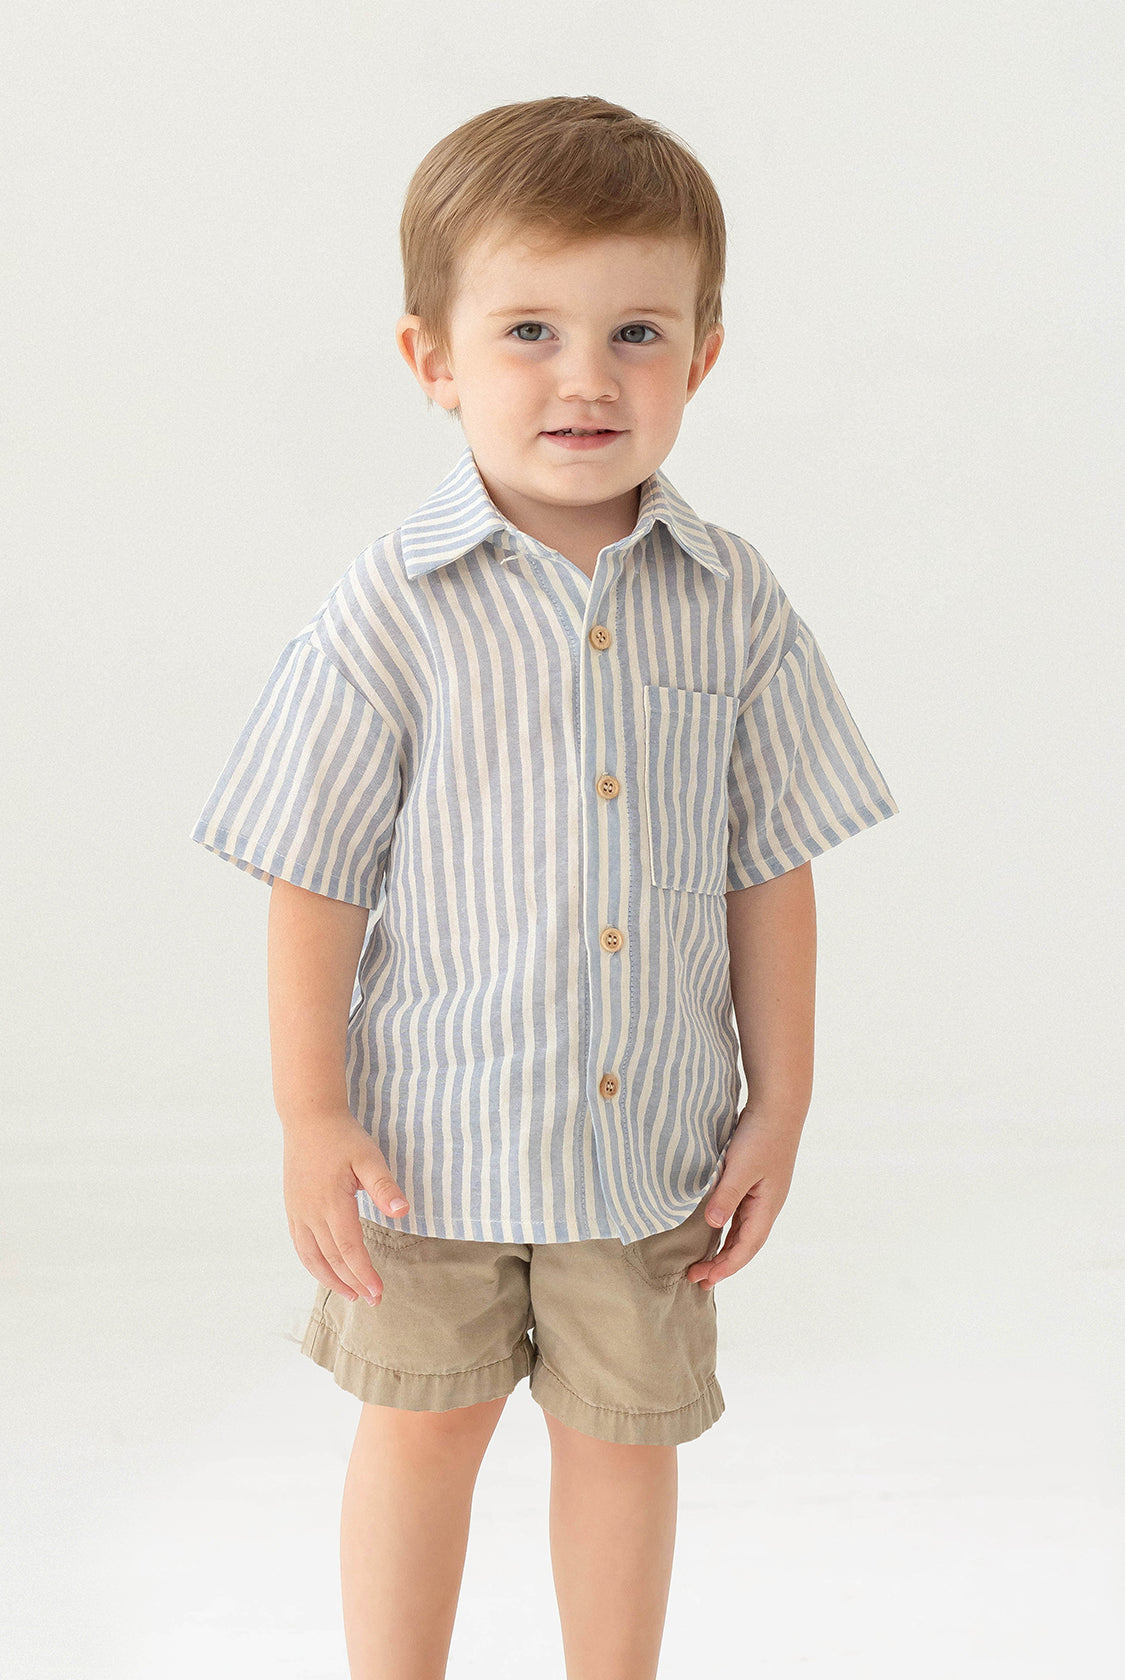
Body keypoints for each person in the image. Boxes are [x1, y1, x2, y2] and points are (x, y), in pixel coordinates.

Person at [190, 94, 899, 1680]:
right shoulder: (392, 607)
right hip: (423, 1159)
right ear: (430, 359)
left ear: (701, 359)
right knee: (418, 1439)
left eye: (636, 331)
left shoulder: (731, 603)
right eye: (527, 330)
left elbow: (767, 866)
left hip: (641, 1150)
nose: (585, 376)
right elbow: (311, 877)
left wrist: (776, 1103)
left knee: (624, 1445)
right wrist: (311, 1114)